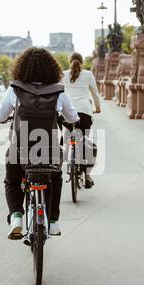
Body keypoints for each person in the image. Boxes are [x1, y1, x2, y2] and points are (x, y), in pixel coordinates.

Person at [0, 47, 80, 240]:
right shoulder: (59, 91)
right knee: (55, 177)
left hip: (20, 149)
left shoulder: (15, 88)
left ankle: (16, 217)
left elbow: (0, 115)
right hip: (48, 150)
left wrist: (4, 118)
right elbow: (72, 117)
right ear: (52, 69)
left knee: (12, 179)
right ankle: (53, 222)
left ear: (22, 68)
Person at [61, 52, 101, 188]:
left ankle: (61, 165)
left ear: (69, 61)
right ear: (82, 62)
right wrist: (98, 107)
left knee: (66, 140)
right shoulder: (88, 74)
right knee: (84, 143)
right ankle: (87, 175)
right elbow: (95, 92)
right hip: (84, 112)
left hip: (67, 112)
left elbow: (58, 92)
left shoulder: (63, 74)